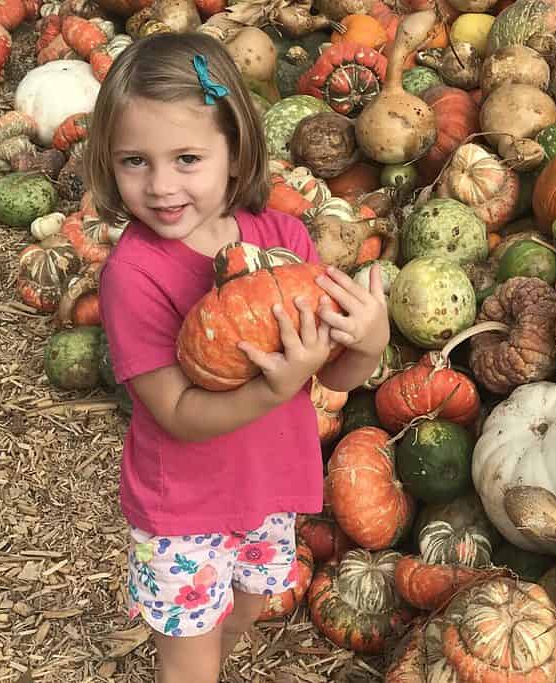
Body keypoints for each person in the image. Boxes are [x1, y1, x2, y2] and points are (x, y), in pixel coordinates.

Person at [83, 32, 389, 683]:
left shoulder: (281, 237)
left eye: (187, 157)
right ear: (108, 164)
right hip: (183, 511)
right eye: (134, 161)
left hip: (269, 489)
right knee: (188, 662)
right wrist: (272, 391)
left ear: (233, 150)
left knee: (244, 609)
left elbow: (331, 368)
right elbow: (177, 411)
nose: (161, 185)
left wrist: (367, 340)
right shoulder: (133, 275)